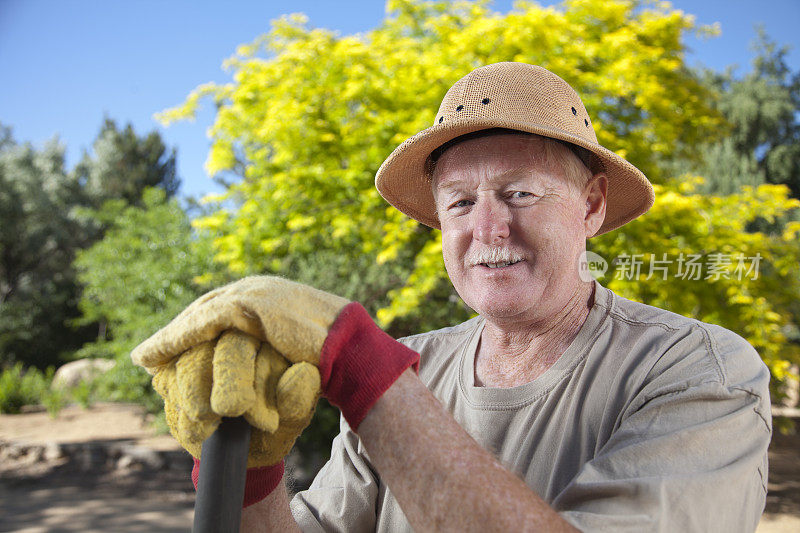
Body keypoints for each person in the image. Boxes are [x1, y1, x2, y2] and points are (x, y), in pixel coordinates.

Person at [132, 63, 771, 532]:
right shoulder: (414, 372)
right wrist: (249, 471)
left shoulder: (698, 370)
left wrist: (367, 374)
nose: (487, 230)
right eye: (460, 203)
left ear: (593, 206)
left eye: (520, 193)